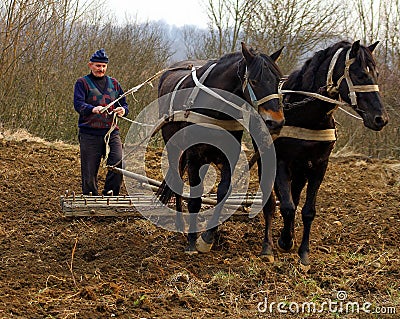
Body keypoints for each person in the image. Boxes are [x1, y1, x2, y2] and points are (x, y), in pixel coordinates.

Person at [73, 48, 129, 196]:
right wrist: (93, 109)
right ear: (90, 65)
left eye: (103, 66)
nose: (101, 69)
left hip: (111, 132)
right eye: (98, 66)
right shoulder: (82, 83)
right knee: (89, 170)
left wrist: (123, 110)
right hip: (89, 133)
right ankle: (91, 198)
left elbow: (124, 104)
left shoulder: (114, 84)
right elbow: (78, 104)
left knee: (118, 162)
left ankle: (110, 194)